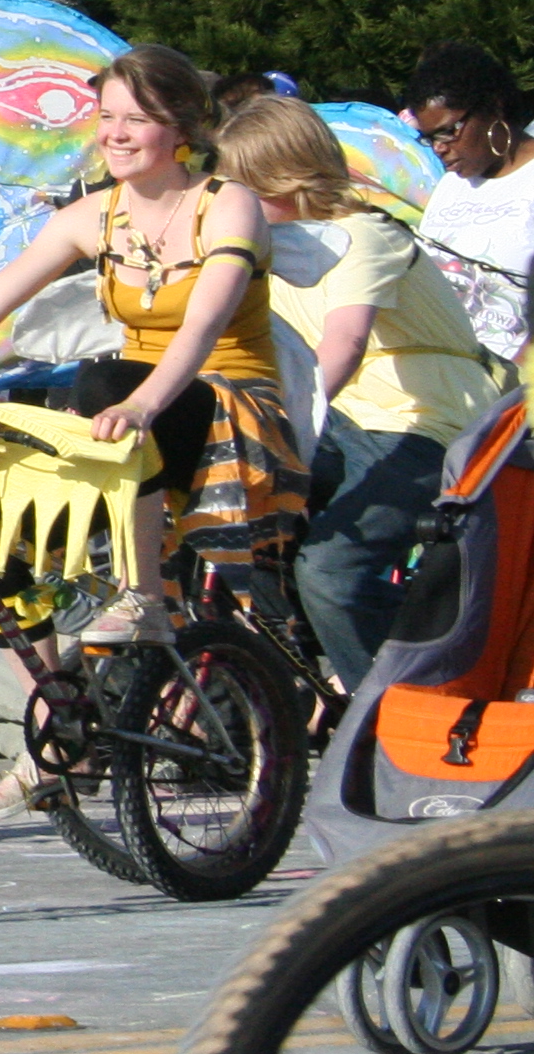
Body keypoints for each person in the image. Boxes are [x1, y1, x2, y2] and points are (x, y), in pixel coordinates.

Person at [0, 46, 295, 653]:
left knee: (102, 382)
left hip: (229, 411)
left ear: (179, 127)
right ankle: (57, 711)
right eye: (106, 117)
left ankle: (143, 599)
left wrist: (141, 407)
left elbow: (202, 327)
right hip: (132, 413)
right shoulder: (92, 214)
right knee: (3, 518)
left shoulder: (227, 203)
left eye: (136, 119)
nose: (115, 135)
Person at [220, 94, 502, 690]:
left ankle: (389, 718)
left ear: (282, 179)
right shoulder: (267, 251)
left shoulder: (363, 233)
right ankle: (281, 693)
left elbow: (343, 345)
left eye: (239, 186)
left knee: (332, 573)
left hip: (424, 423)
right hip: (341, 420)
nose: (227, 201)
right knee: (231, 513)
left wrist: (277, 431)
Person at [410, 41, 534, 370]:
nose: (439, 148)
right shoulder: (452, 185)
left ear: (493, 107)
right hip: (454, 385)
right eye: (429, 138)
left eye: (449, 132)